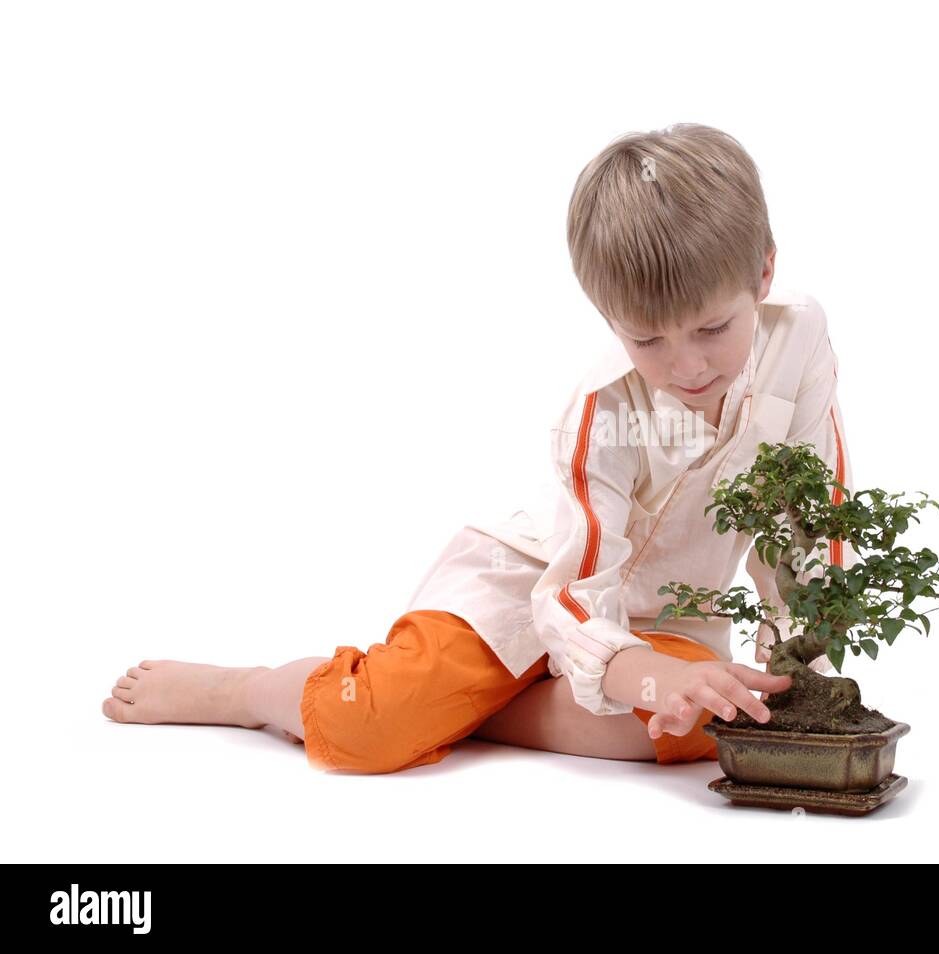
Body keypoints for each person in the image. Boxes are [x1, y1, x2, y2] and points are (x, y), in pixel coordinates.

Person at [100, 122, 857, 775]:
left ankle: (474, 715)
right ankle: (250, 692)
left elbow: (807, 513)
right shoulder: (600, 410)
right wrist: (640, 673)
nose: (687, 365)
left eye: (713, 329)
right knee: (371, 729)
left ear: (763, 272)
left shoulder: (803, 339)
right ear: (608, 315)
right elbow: (570, 596)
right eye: (648, 337)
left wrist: (806, 665)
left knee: (711, 719)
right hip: (533, 589)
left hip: (664, 622)